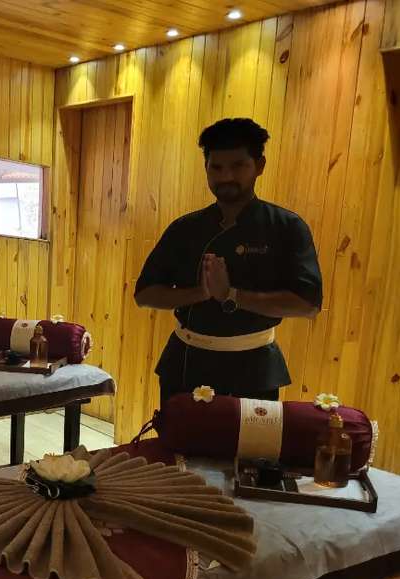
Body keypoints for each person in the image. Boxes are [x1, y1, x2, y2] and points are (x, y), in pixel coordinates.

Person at [134, 118, 323, 407]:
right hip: (185, 361)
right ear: (206, 168)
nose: (226, 177)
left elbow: (307, 305)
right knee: (179, 436)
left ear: (259, 166)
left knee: (250, 439)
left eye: (238, 166)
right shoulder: (185, 228)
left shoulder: (286, 227)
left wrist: (232, 295)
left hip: (256, 367)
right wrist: (199, 293)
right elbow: (145, 295)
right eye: (217, 167)